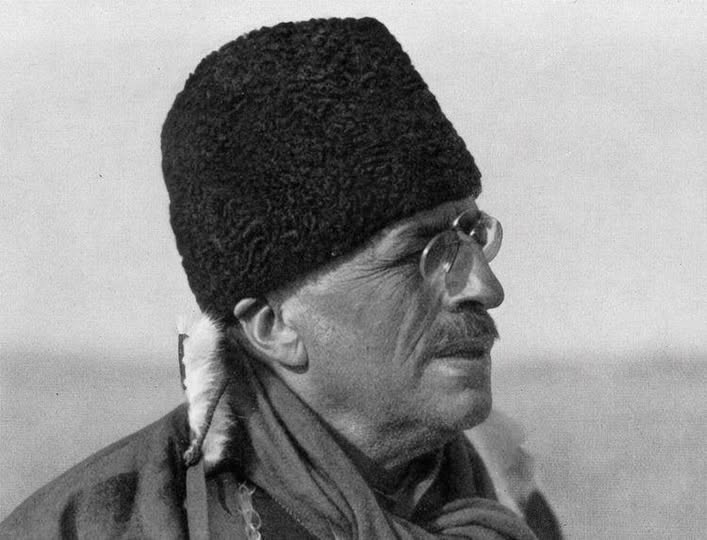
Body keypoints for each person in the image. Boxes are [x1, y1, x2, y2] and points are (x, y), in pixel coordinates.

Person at [0, 17, 562, 539]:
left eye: (471, 235)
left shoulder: (508, 499)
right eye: (420, 253)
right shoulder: (95, 526)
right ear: (273, 326)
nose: (486, 287)